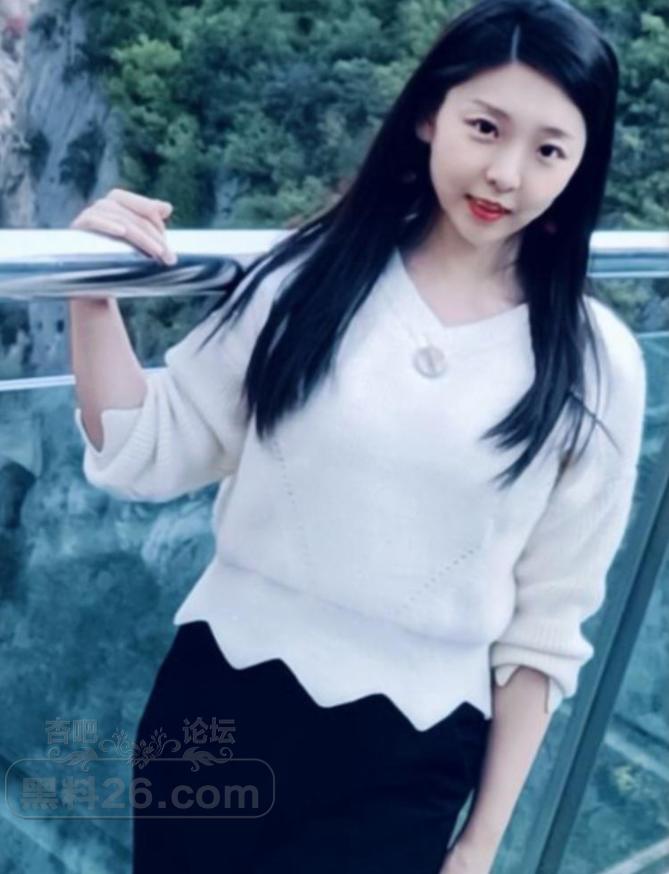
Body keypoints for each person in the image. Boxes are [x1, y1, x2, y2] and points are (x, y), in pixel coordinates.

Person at [68, 0, 646, 871]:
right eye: (484, 128)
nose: (504, 174)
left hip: (408, 755)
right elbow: (148, 448)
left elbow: (545, 632)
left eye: (548, 150)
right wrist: (91, 292)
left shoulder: (595, 368)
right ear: (428, 115)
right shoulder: (309, 278)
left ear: (579, 166)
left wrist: (478, 846)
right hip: (220, 705)